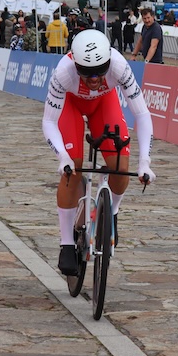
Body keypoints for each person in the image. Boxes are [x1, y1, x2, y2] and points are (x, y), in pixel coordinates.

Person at [42, 30, 154, 276]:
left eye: (99, 71)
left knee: (120, 167)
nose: (93, 79)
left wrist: (145, 162)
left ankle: (112, 213)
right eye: (86, 72)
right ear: (75, 63)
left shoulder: (118, 66)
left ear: (108, 63)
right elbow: (49, 122)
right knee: (75, 167)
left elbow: (143, 114)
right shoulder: (63, 72)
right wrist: (63, 157)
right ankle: (67, 244)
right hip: (70, 105)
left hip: (104, 104)